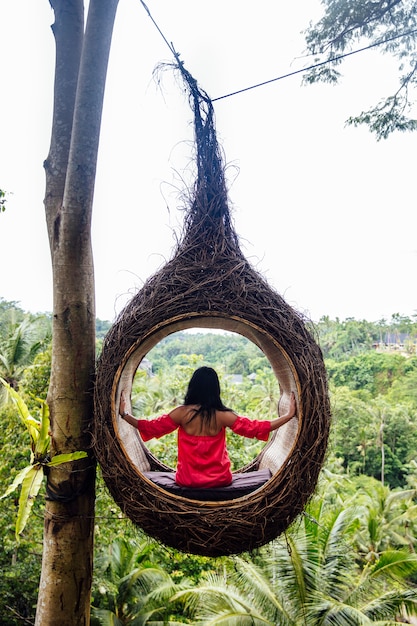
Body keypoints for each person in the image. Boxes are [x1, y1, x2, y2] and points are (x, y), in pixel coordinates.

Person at [119, 366, 297, 489]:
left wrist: (124, 414)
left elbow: (150, 427)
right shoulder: (222, 416)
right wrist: (288, 416)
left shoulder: (181, 413)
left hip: (186, 481)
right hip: (220, 480)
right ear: (215, 389)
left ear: (193, 387)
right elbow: (257, 428)